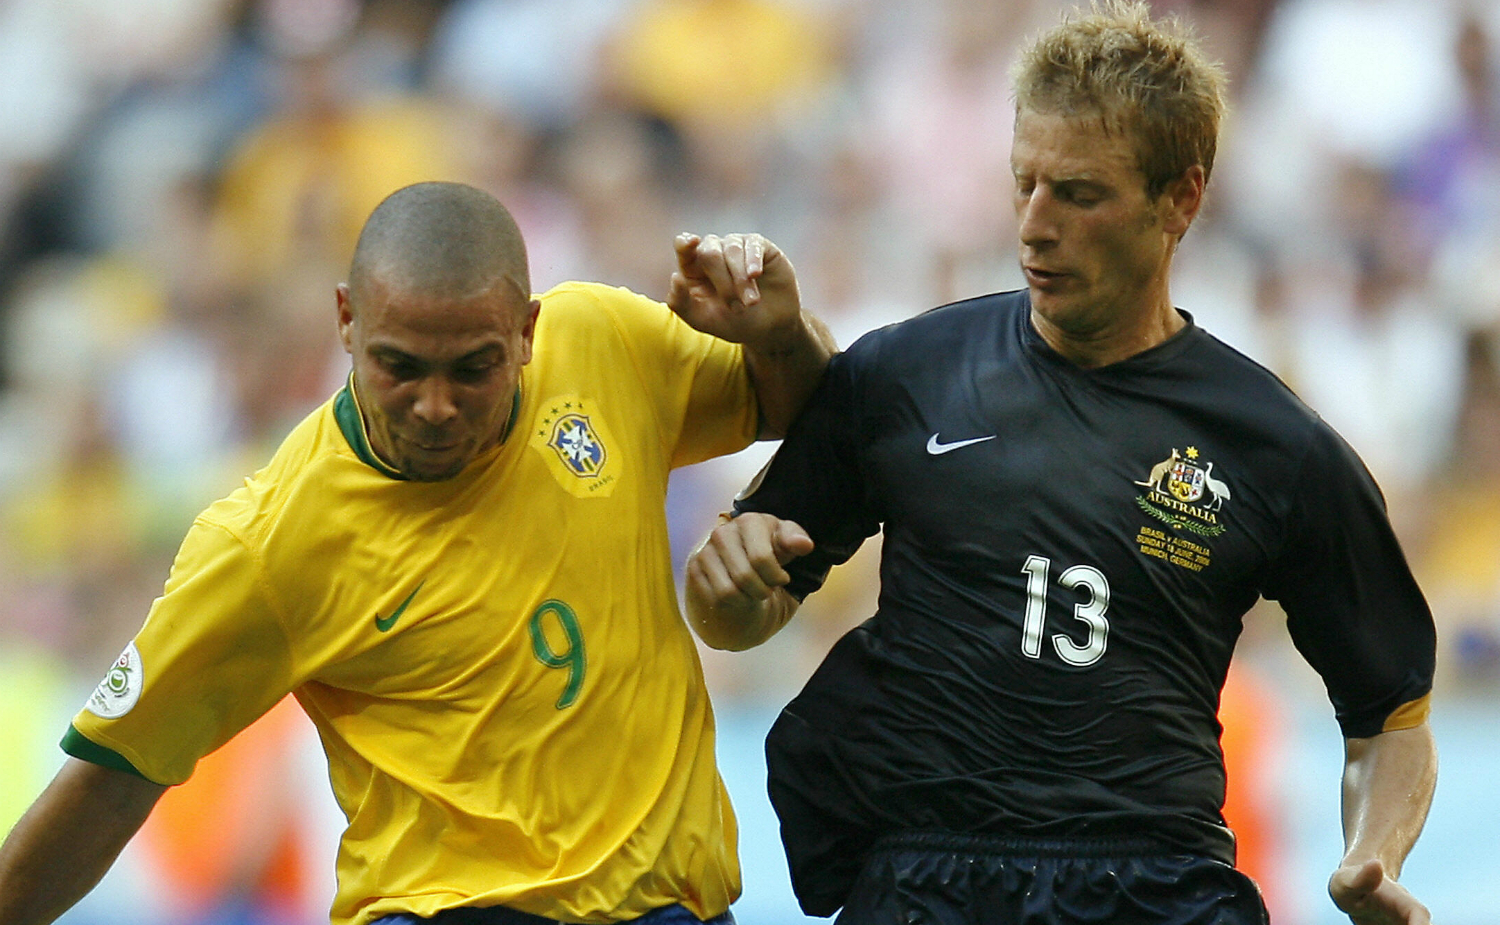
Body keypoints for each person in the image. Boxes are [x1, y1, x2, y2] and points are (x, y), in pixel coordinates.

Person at [681, 3, 1439, 924]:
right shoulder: (902, 374)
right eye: (1023, 184)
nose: (1035, 226)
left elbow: (1390, 710)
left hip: (1151, 880)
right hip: (924, 878)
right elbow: (740, 616)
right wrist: (725, 590)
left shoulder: (1273, 445)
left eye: (1078, 194)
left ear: (1181, 200)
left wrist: (1372, 853)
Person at [0, 180, 836, 925]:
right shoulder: (271, 542)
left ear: (527, 332)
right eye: (399, 366)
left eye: (472, 368)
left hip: (675, 905)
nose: (435, 406)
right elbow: (111, 778)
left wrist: (777, 331)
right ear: (344, 322)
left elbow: (801, 398)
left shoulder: (604, 343)